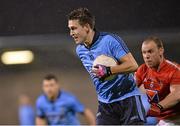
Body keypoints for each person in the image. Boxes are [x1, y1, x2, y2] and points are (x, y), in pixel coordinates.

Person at [67, 7, 146, 125]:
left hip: (128, 99)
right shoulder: (80, 50)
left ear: (87, 27)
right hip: (105, 104)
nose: (71, 33)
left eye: (74, 28)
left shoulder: (110, 41)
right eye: (70, 29)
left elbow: (133, 65)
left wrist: (109, 70)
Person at [135, 36, 180, 124]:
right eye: (144, 52)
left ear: (161, 50)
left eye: (150, 51)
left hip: (177, 120)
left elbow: (177, 95)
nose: (146, 56)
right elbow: (129, 88)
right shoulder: (143, 70)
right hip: (163, 120)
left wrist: (158, 107)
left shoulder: (174, 70)